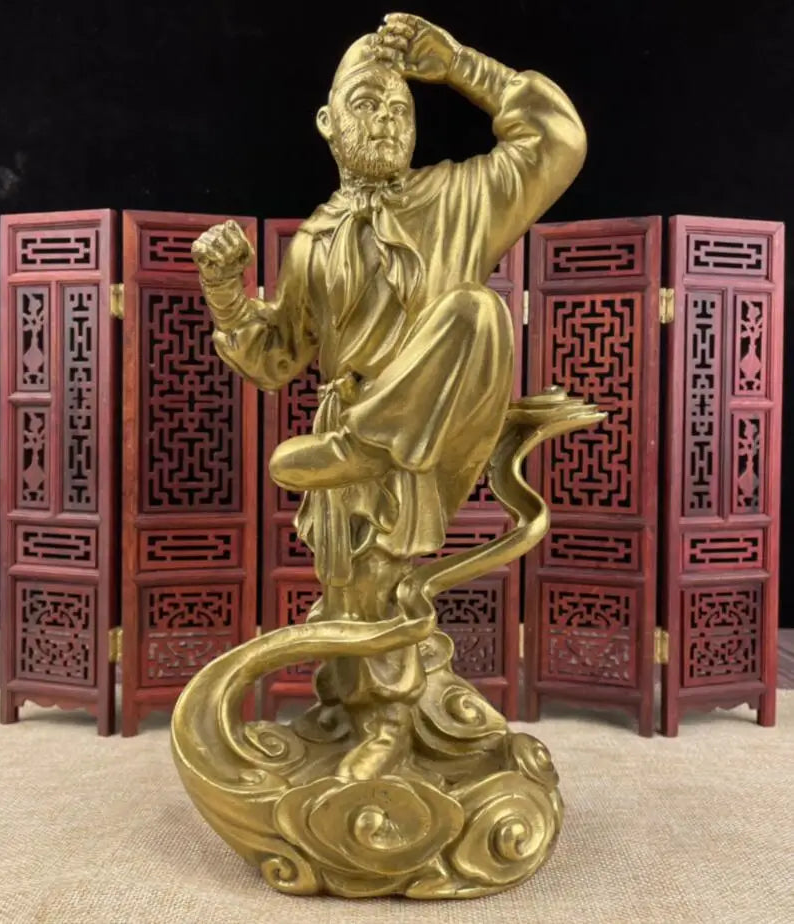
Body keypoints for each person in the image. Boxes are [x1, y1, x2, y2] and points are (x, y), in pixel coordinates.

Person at [192, 12, 586, 778]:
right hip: (343, 440)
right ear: (327, 123)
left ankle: (387, 723)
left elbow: (558, 142)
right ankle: (371, 716)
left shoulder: (460, 197)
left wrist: (463, 66)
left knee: (476, 310)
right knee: (362, 587)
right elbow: (275, 358)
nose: (386, 120)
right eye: (367, 104)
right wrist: (224, 290)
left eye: (401, 108)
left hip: (434, 428)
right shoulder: (315, 240)